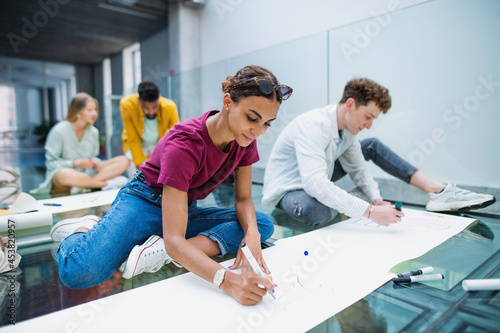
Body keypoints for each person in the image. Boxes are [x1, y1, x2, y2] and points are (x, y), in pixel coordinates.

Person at [49, 65, 293, 305]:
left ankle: (161, 250)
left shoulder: (245, 140)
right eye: (252, 118)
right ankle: (81, 231)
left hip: (182, 208)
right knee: (79, 273)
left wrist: (250, 234)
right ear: (228, 102)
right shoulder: (185, 143)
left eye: (267, 123)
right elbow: (175, 238)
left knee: (261, 224)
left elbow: (243, 200)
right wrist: (227, 281)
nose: (258, 131)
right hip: (144, 199)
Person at [262, 78, 495, 227]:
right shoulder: (315, 125)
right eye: (368, 117)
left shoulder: (348, 131)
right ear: (350, 104)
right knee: (316, 212)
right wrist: (370, 211)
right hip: (289, 189)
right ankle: (350, 202)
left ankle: (440, 191)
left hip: (316, 176)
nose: (369, 124)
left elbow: (359, 169)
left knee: (370, 145)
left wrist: (376, 198)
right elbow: (313, 183)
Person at [31, 93, 130, 194]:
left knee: (124, 160)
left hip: (88, 173)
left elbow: (93, 157)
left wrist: (95, 162)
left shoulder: (93, 132)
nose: (94, 114)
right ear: (77, 111)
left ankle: (84, 186)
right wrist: (76, 163)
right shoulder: (59, 130)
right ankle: (103, 185)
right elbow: (51, 164)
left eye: (95, 110)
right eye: (89, 110)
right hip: (66, 176)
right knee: (65, 174)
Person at [120, 81, 179, 168]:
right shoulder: (127, 105)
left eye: (155, 107)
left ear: (159, 98)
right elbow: (133, 138)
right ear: (139, 101)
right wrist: (138, 164)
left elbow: (176, 136)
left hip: (159, 144)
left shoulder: (170, 107)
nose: (151, 112)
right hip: (137, 144)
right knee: (134, 170)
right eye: (146, 108)